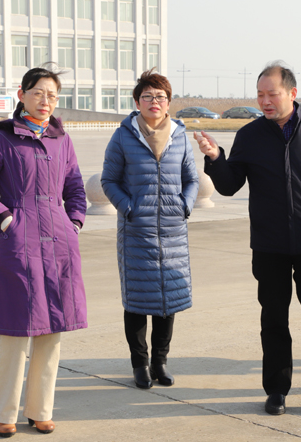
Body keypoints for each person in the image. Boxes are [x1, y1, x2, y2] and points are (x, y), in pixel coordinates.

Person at [194, 61, 301, 420]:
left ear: (292, 93)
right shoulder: (250, 135)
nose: (265, 101)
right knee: (274, 320)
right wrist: (215, 157)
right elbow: (230, 185)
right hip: (269, 244)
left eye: (272, 94)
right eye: (260, 95)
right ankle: (277, 390)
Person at [0, 66, 88, 437]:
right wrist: (6, 219)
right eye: (38, 93)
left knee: (52, 331)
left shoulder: (61, 139)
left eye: (52, 95)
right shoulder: (1, 138)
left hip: (59, 243)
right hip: (19, 242)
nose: (45, 101)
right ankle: (3, 411)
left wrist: (74, 222)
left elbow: (76, 188)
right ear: (22, 95)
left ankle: (40, 410)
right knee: (15, 330)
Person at [101, 69, 199, 390]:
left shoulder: (179, 136)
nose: (154, 101)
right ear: (137, 102)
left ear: (168, 102)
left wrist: (184, 205)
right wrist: (128, 207)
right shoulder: (123, 136)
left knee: (168, 299)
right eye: (147, 96)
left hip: (172, 231)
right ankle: (140, 364)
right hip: (136, 232)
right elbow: (109, 180)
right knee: (137, 301)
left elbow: (192, 179)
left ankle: (160, 362)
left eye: (160, 96)